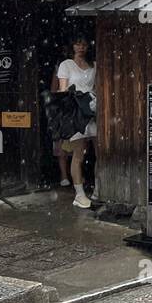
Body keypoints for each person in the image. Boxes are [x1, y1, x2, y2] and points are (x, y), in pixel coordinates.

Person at [56, 36, 97, 208]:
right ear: (72, 45)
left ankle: (99, 188)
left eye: (84, 43)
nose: (81, 47)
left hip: (93, 108)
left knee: (100, 152)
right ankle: (79, 194)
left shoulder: (94, 64)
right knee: (78, 154)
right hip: (76, 111)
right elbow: (63, 90)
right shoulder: (66, 64)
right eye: (78, 43)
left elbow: (98, 86)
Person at [50, 48, 72, 187]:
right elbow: (53, 90)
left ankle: (75, 176)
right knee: (61, 144)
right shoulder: (59, 68)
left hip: (75, 110)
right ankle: (64, 175)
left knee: (77, 145)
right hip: (62, 111)